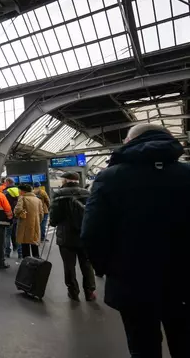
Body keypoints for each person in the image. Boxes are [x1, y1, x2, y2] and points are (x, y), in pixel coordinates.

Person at [82, 124, 189, 357]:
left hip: (132, 282)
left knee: (142, 346)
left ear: (130, 141)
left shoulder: (109, 178)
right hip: (184, 281)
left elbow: (91, 233)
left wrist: (108, 269)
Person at [49, 172, 95, 301]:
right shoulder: (86, 193)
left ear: (65, 180)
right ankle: (90, 292)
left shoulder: (59, 194)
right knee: (86, 264)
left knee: (69, 265)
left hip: (65, 236)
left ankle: (73, 292)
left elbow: (54, 218)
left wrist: (54, 221)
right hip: (84, 234)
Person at [14, 184, 46, 259]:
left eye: (19, 190)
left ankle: (27, 260)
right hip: (35, 224)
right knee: (34, 241)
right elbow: (41, 213)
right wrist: (38, 222)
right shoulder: (37, 199)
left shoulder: (22, 198)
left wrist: (17, 214)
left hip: (24, 224)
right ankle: (36, 259)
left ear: (22, 191)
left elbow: (18, 209)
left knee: (25, 243)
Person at [3, 178, 20, 258]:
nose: (4, 184)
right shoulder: (19, 191)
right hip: (18, 216)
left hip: (8, 216)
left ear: (8, 182)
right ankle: (19, 251)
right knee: (17, 234)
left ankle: (7, 252)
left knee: (7, 235)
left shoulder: (5, 193)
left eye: (5, 182)